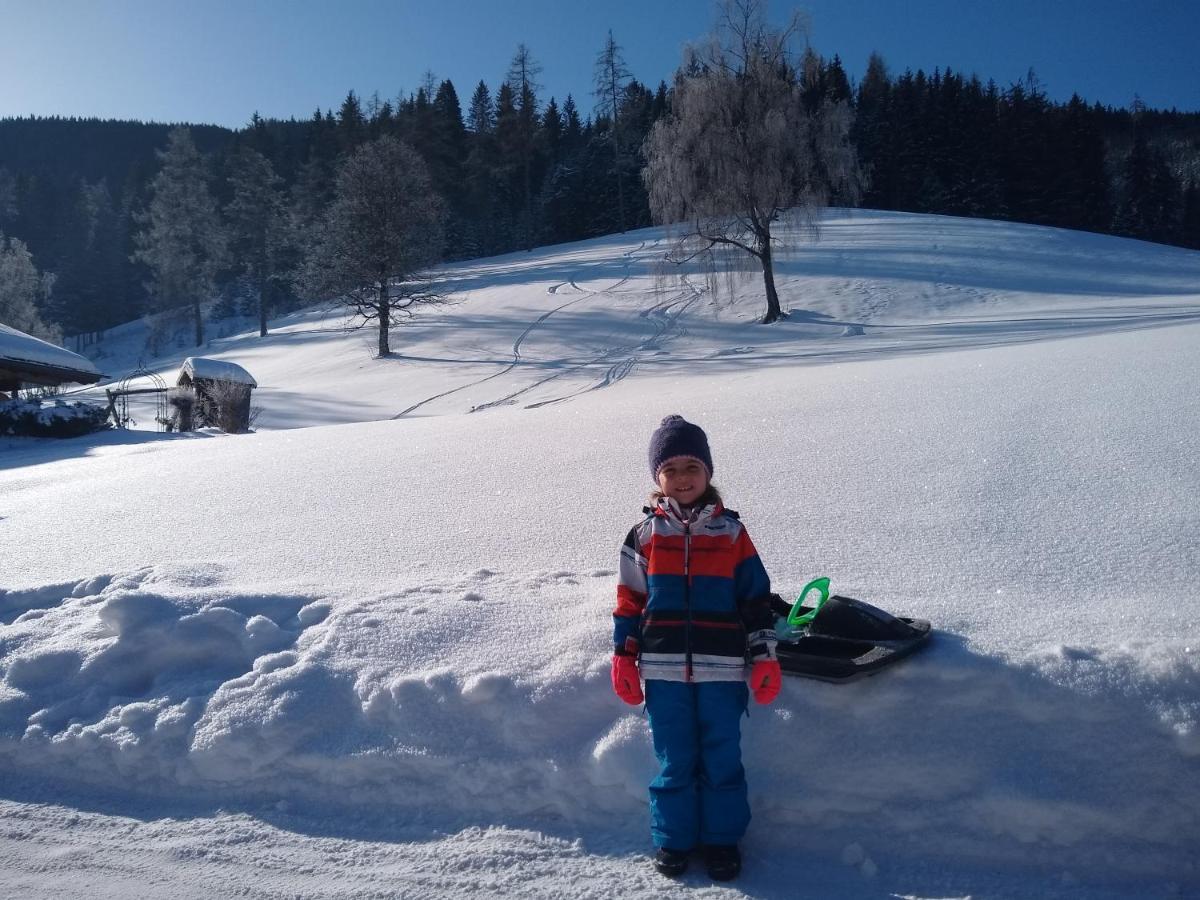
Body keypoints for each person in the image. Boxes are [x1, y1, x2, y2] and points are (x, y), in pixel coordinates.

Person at [611, 414, 782, 881]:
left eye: (692, 467)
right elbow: (630, 601)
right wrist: (623, 655)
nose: (683, 478)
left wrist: (765, 655)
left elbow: (755, 598)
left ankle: (723, 840)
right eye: (671, 469)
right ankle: (674, 838)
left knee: (722, 755)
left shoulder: (731, 532)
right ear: (657, 478)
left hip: (724, 669)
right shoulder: (643, 536)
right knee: (674, 757)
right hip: (663, 671)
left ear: (708, 472)